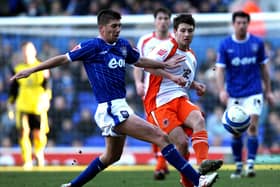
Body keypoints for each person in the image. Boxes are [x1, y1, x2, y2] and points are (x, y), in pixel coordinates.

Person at [11, 9, 220, 187]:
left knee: (112, 156)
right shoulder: (92, 46)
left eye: (119, 25)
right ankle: (197, 180)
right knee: (161, 137)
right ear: (102, 28)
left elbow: (140, 62)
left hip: (120, 106)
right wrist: (33, 69)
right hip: (110, 108)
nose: (117, 29)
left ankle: (72, 185)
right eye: (113, 26)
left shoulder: (122, 46)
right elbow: (62, 59)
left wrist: (164, 66)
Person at [143, 14, 223, 187]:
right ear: (175, 32)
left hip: (179, 98)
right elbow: (147, 65)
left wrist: (195, 85)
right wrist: (168, 70)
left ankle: (203, 163)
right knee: (181, 143)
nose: (186, 34)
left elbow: (183, 80)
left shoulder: (192, 56)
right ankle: (187, 182)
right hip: (159, 102)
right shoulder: (166, 47)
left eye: (190, 31)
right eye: (183, 30)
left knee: (199, 120)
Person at [215, 11, 275, 179]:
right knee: (235, 131)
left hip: (253, 92)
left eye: (244, 22)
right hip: (234, 93)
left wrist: (268, 91)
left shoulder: (257, 43)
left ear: (248, 24)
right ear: (234, 24)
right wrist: (221, 90)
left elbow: (264, 68)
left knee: (252, 126)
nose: (241, 25)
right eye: (238, 22)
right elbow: (220, 69)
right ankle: (238, 166)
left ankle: (250, 164)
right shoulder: (225, 44)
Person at [133, 7, 174, 180]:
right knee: (155, 128)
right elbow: (137, 63)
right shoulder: (145, 40)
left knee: (167, 128)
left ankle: (161, 163)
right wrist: (138, 81)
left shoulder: (175, 40)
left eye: (166, 18)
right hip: (150, 91)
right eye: (160, 18)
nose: (163, 21)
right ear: (155, 21)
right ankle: (161, 163)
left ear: (169, 21)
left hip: (170, 89)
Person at [8, 41, 51, 170]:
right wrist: (11, 105)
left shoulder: (42, 67)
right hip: (22, 106)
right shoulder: (17, 69)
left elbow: (47, 85)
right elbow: (13, 89)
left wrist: (48, 98)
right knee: (23, 132)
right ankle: (27, 160)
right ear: (22, 53)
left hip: (38, 106)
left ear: (34, 52)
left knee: (38, 134)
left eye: (29, 50)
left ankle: (39, 153)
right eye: (24, 51)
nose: (27, 53)